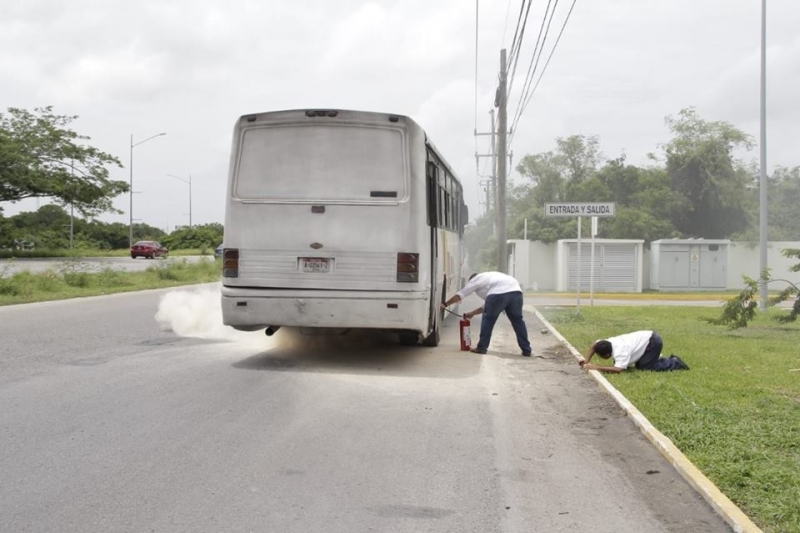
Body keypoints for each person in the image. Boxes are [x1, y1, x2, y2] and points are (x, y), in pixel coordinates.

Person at [441, 272, 532, 357]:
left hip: (499, 295)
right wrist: (472, 313)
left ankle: (482, 347)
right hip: (517, 292)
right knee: (518, 321)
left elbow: (460, 295)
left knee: (488, 321)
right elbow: (487, 306)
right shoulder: (491, 277)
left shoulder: (475, 280)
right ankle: (526, 350)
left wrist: (445, 304)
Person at [578, 330, 689, 373]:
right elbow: (594, 345)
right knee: (640, 364)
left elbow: (618, 369)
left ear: (607, 355)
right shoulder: (607, 342)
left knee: (644, 367)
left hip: (653, 341)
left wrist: (596, 367)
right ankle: (654, 357)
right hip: (646, 339)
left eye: (600, 356)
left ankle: (675, 362)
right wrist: (587, 360)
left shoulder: (621, 351)